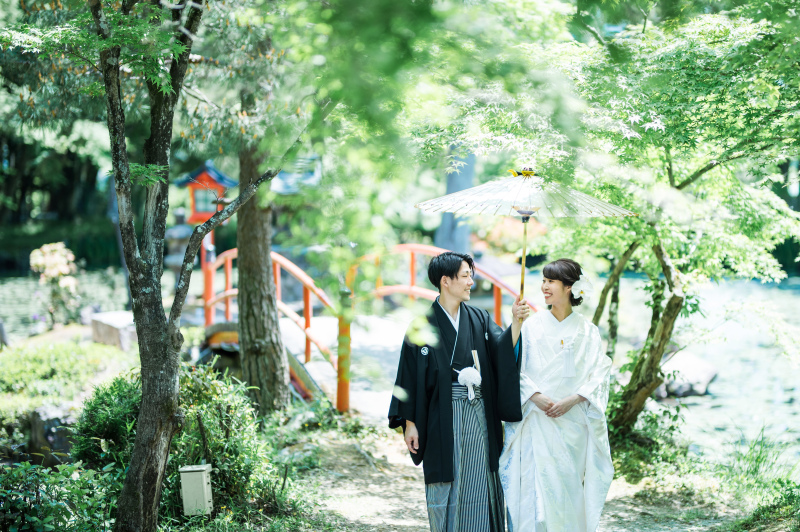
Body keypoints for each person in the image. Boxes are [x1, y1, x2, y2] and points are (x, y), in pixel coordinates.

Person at [388, 251, 530, 532]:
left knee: (480, 476)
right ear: (445, 281)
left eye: (470, 276)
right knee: (448, 476)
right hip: (442, 416)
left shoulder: (479, 318)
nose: (471, 282)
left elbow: (502, 352)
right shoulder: (421, 326)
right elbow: (408, 376)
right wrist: (410, 423)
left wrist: (516, 323)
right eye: (465, 276)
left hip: (479, 413)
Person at [499, 258, 614, 532]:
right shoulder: (530, 325)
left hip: (571, 422)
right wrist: (534, 394)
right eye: (543, 280)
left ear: (569, 287)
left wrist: (575, 398)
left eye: (551, 281)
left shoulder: (588, 331)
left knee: (567, 490)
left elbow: (599, 373)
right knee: (532, 494)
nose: (544, 286)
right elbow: (510, 365)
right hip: (535, 418)